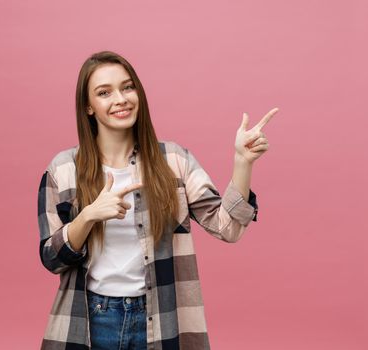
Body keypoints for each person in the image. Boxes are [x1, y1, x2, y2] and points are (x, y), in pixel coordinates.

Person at [37, 50, 278, 350]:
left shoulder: (175, 161)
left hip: (160, 317)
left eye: (127, 87)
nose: (121, 99)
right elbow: (51, 258)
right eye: (104, 92)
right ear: (88, 106)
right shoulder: (63, 169)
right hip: (91, 320)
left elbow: (228, 227)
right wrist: (87, 217)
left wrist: (243, 162)